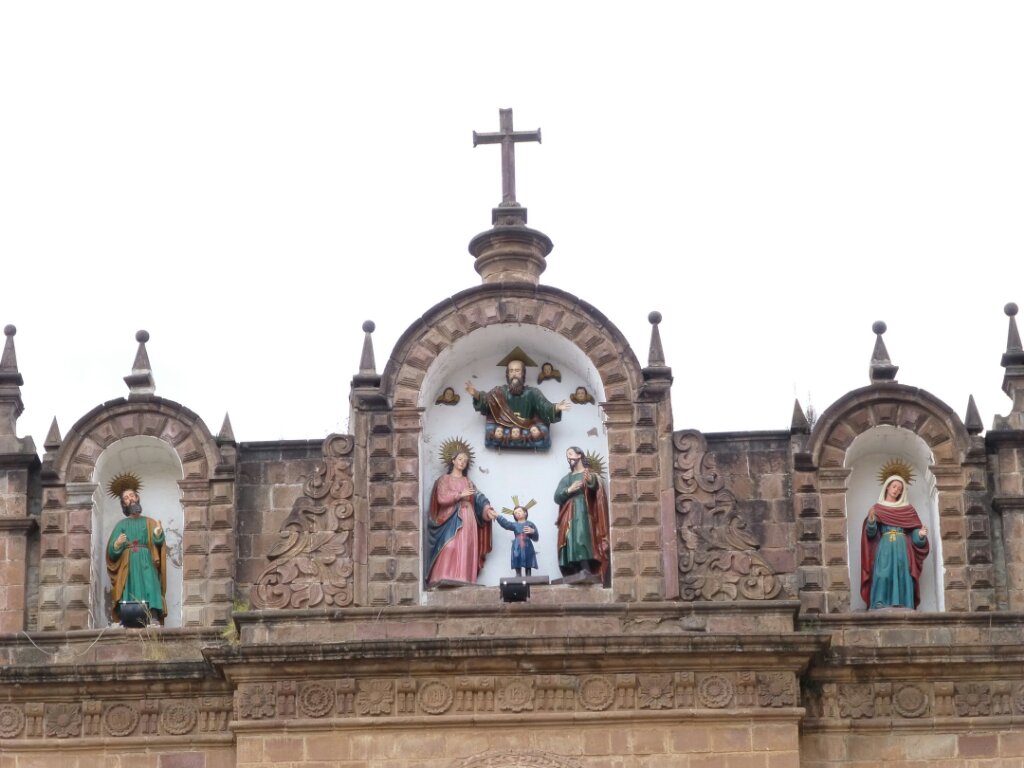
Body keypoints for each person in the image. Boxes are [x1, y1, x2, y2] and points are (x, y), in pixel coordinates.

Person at [426, 446, 498, 585]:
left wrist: (487, 509)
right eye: (460, 459)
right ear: (453, 461)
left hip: (467, 517)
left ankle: (464, 578)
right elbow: (441, 498)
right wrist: (459, 494)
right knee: (449, 546)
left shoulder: (467, 481)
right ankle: (441, 577)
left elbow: (478, 498)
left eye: (465, 461)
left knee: (466, 547)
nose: (462, 462)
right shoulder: (445, 479)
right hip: (448, 517)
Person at [860, 473, 930, 609]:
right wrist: (871, 521)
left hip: (902, 547)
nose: (896, 490)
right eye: (894, 486)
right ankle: (879, 602)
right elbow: (870, 534)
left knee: (902, 573)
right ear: (887, 487)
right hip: (885, 546)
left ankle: (904, 603)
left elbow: (913, 533)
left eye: (899, 489)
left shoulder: (908, 510)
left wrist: (920, 535)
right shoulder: (878, 508)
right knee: (882, 574)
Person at [106, 477, 167, 625]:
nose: (130, 499)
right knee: (129, 586)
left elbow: (158, 543)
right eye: (126, 498)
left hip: (147, 560)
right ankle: (128, 618)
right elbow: (111, 553)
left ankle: (153, 616)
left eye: (132, 495)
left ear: (137, 498)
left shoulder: (150, 522)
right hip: (128, 562)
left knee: (150, 584)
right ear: (124, 504)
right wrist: (117, 544)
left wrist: (158, 534)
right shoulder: (121, 525)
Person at [466, 358, 570, 434]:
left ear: (523, 373)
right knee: (491, 431)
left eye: (517, 370)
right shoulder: (499, 391)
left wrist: (556, 407)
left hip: (527, 427)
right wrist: (476, 394)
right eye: (511, 371)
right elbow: (486, 402)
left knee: (542, 431)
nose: (514, 374)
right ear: (507, 374)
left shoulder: (532, 392)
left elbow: (545, 407)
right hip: (503, 428)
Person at [555, 446, 610, 584]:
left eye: (571, 454)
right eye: (567, 455)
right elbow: (557, 497)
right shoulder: (567, 478)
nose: (568, 457)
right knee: (569, 540)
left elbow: (596, 488)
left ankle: (586, 568)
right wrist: (569, 489)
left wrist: (590, 480)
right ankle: (574, 570)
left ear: (579, 455)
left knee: (581, 538)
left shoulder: (589, 474)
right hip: (569, 513)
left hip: (583, 511)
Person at [495, 506, 539, 577]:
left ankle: (528, 575)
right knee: (516, 557)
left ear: (525, 513)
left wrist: (533, 531)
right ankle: (518, 574)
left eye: (519, 511)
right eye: (515, 513)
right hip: (517, 544)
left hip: (527, 544)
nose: (517, 513)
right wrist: (498, 516)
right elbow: (506, 524)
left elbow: (536, 538)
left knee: (528, 558)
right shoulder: (514, 524)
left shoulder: (530, 524)